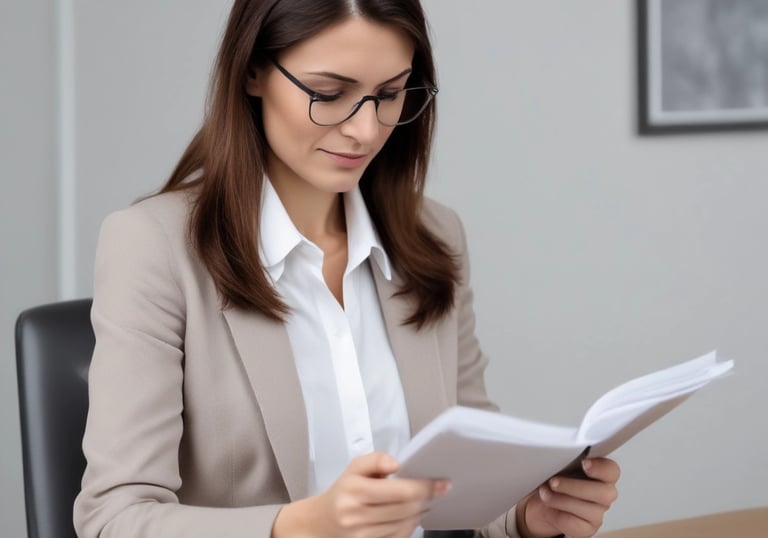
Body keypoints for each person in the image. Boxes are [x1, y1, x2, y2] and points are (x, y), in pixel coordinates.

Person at [73, 1, 620, 537]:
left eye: (388, 95)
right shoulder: (153, 246)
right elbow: (115, 519)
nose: (365, 130)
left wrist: (525, 516)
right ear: (253, 72)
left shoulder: (434, 238)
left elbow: (470, 479)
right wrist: (301, 526)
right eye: (329, 94)